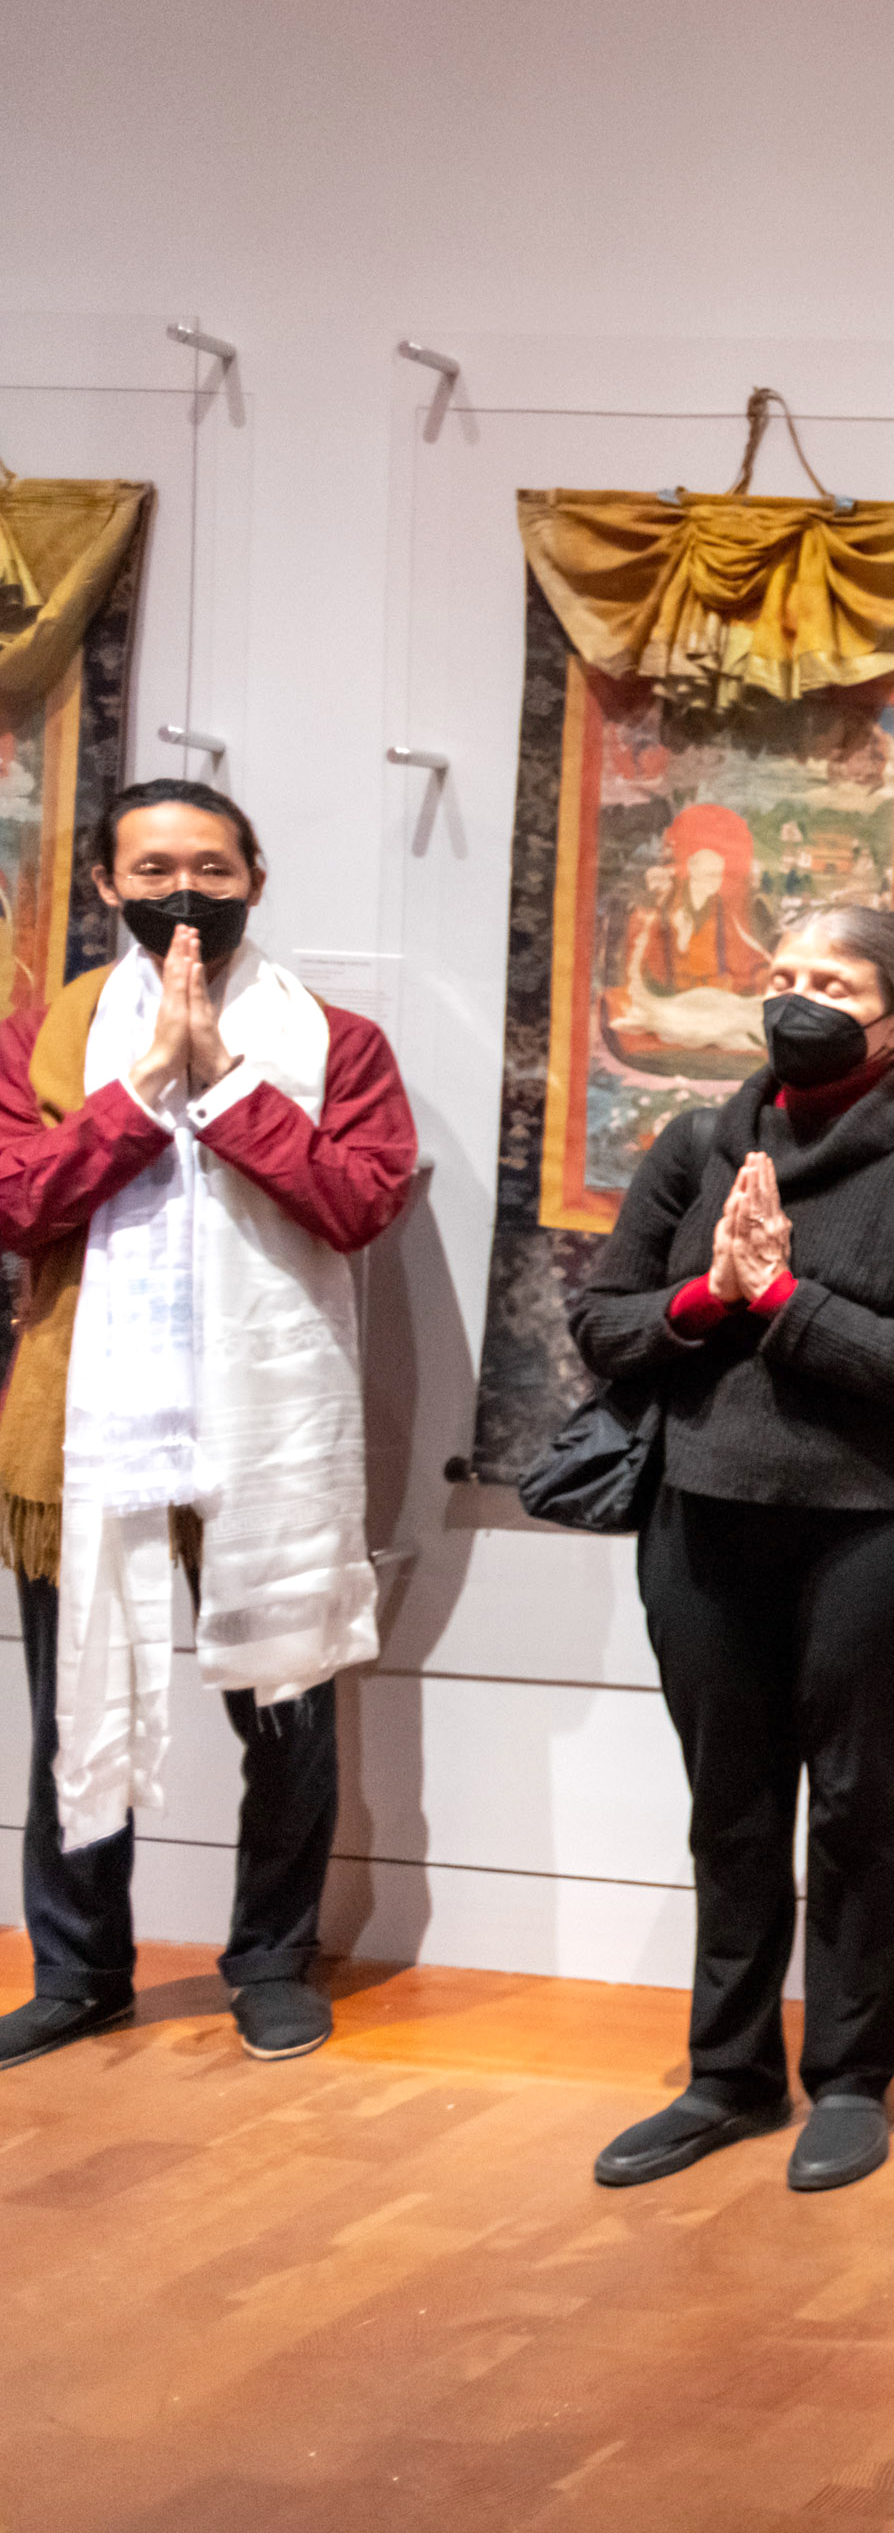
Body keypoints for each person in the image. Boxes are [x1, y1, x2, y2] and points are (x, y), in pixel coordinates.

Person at [569, 903, 894, 2194]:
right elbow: (606, 1323)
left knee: (863, 1804)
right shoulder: (698, 1141)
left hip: (878, 1531)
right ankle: (729, 2076)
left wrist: (786, 1303)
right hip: (702, 1516)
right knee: (733, 1807)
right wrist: (710, 1295)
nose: (800, 998)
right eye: (787, 975)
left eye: (838, 982)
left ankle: (852, 2079)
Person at [0, 780, 415, 2071]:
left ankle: (272, 1961)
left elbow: (357, 1204)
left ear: (256, 878)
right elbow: (19, 1204)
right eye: (156, 868)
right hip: (83, 1423)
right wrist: (137, 1098)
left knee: (286, 1710)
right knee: (78, 1708)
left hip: (267, 1439)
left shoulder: (337, 1044)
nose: (189, 891)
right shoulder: (46, 1037)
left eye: (214, 868)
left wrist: (226, 1083)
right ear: (109, 889)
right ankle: (78, 1970)